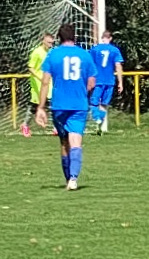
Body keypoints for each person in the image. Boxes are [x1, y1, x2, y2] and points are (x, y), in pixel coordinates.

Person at [35, 23, 96, 190]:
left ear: (59, 38)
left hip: (59, 105)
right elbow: (92, 83)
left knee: (64, 142)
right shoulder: (85, 55)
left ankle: (68, 177)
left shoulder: (53, 55)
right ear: (74, 36)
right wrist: (84, 95)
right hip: (79, 105)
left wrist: (41, 108)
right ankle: (73, 179)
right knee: (75, 141)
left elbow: (45, 82)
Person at [88, 31, 125, 134]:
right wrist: (120, 82)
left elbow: (89, 64)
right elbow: (118, 66)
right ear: (110, 38)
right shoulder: (115, 50)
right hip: (109, 81)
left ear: (102, 38)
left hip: (97, 80)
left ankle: (98, 118)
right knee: (104, 104)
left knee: (93, 103)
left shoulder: (95, 49)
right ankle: (101, 127)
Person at [22, 31, 54, 137]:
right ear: (43, 41)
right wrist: (40, 78)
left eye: (52, 43)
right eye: (49, 43)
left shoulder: (51, 52)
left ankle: (56, 127)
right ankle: (25, 125)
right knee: (34, 105)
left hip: (49, 83)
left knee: (52, 104)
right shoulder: (36, 52)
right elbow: (30, 68)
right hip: (37, 83)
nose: (50, 45)